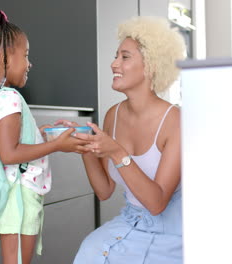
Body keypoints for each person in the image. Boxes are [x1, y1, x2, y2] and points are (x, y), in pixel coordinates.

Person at [0, 9, 89, 264]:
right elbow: (9, 153)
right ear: (3, 57)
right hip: (18, 198)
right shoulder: (9, 98)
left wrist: (39, 136)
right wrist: (55, 145)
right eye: (26, 55)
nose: (30, 63)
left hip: (8, 197)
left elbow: (5, 141)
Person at [67, 16, 186, 263]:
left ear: (151, 65)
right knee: (88, 254)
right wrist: (85, 146)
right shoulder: (114, 114)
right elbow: (104, 190)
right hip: (130, 222)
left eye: (125, 57)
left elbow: (156, 203)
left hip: (173, 233)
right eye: (116, 56)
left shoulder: (175, 121)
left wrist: (118, 152)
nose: (113, 64)